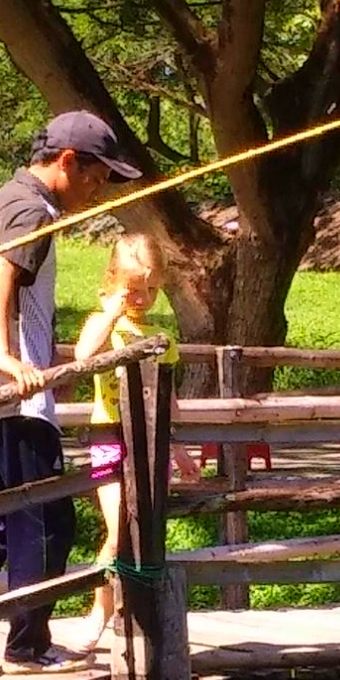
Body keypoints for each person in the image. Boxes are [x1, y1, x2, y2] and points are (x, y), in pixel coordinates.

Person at [0, 112, 137, 673]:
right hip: (16, 396)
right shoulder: (30, 211)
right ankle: (27, 647)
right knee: (46, 522)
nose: (99, 190)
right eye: (96, 176)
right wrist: (7, 356)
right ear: (67, 161)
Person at [73, 234, 199, 639]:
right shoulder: (103, 324)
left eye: (151, 290)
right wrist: (112, 309)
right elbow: (83, 356)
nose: (142, 299)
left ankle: (135, 610)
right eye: (133, 290)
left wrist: (177, 448)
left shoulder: (163, 339)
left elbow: (169, 400)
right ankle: (99, 610)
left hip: (151, 443)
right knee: (119, 528)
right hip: (109, 433)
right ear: (112, 281)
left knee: (145, 529)